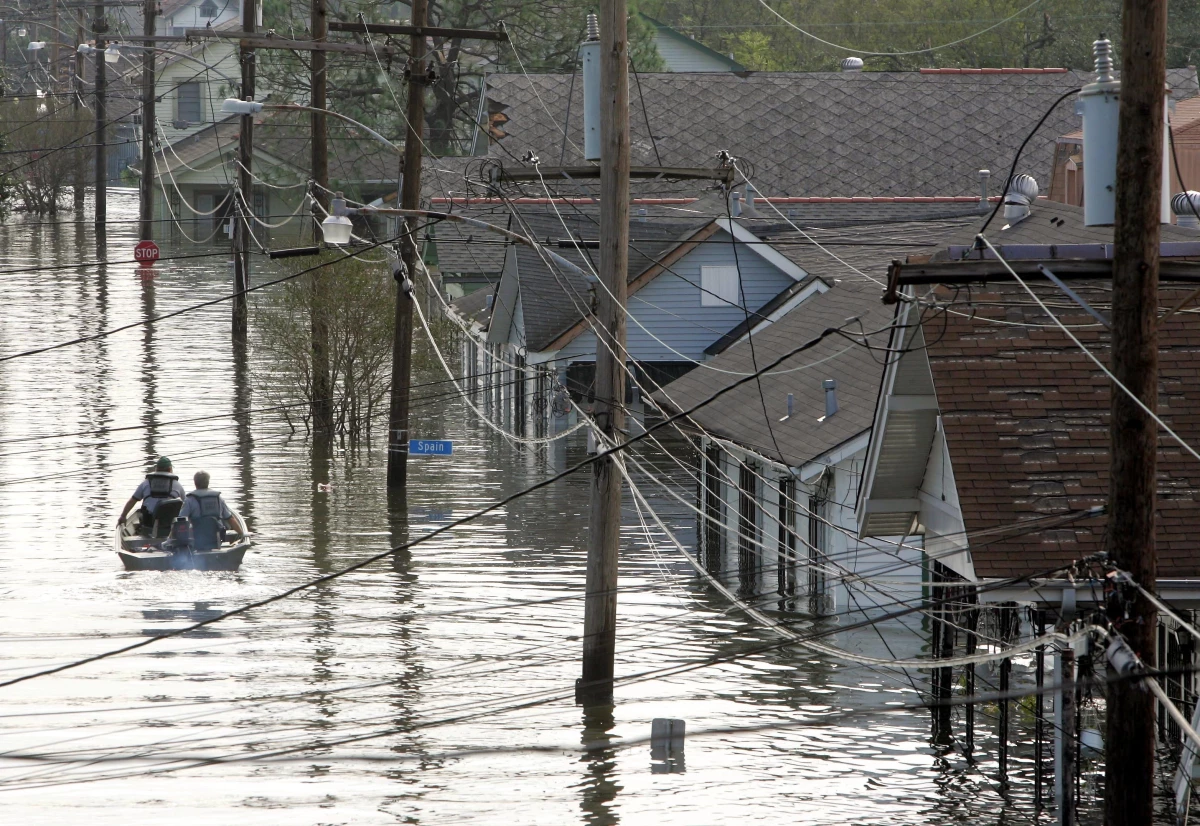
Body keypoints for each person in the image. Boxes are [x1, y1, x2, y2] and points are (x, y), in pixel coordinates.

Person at [118, 457, 185, 532]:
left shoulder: (145, 483)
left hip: (149, 523)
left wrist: (123, 516)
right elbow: (185, 506)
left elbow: (132, 501)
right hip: (169, 524)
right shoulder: (178, 485)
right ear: (170, 469)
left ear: (156, 469)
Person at [181, 470, 239, 550]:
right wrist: (242, 534)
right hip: (216, 541)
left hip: (196, 542)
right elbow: (230, 518)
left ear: (195, 483)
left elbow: (180, 520)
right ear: (208, 482)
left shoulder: (189, 500)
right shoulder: (218, 499)